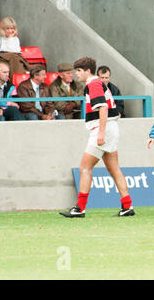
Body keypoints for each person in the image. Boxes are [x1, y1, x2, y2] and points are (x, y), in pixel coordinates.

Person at [59, 57, 135, 218]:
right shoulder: (97, 83)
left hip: (103, 129)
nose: (76, 74)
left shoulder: (93, 84)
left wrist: (101, 132)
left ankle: (80, 208)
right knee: (114, 169)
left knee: (85, 168)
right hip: (111, 128)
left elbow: (103, 107)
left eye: (78, 71)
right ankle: (127, 206)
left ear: (88, 71)